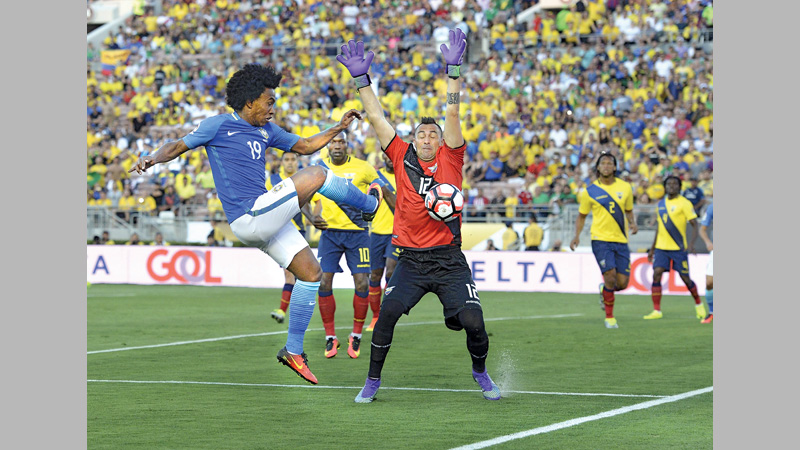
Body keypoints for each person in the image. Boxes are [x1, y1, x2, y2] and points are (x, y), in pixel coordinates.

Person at [129, 63, 383, 385]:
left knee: (311, 273)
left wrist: (337, 128)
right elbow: (176, 146)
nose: (273, 108)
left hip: (264, 218)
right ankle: (369, 206)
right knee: (318, 174)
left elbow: (304, 145)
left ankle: (293, 351)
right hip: (249, 215)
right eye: (269, 102)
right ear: (250, 102)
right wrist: (152, 157)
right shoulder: (218, 126)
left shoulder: (266, 131)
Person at [338, 31, 501, 402]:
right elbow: (376, 115)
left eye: (433, 134)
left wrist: (454, 71)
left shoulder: (452, 156)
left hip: (448, 260)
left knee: (474, 323)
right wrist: (361, 80)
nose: (427, 138)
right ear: (412, 141)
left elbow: (454, 110)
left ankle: (481, 373)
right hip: (409, 260)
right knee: (388, 316)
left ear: (442, 141)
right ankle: (372, 382)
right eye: (421, 134)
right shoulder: (399, 154)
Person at [313, 131, 382, 360]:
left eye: (341, 142)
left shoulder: (363, 167)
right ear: (328, 146)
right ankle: (330, 337)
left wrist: (373, 203)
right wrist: (312, 217)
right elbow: (307, 198)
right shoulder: (320, 168)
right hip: (330, 234)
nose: (337, 145)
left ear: (347, 145)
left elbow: (378, 186)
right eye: (334, 142)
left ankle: (356, 334)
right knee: (323, 280)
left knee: (362, 283)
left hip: (358, 234)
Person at [570, 151, 638, 329]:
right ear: (598, 167)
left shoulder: (625, 188)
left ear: (615, 167)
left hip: (621, 240)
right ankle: (610, 318)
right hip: (600, 239)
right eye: (603, 163)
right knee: (610, 276)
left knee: (621, 284)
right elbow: (582, 216)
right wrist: (576, 236)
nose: (606, 166)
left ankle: (605, 291)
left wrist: (632, 223)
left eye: (610, 163)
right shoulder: (590, 191)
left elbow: (629, 210)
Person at [268, 151, 324, 325]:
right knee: (290, 274)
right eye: (287, 159)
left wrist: (315, 216)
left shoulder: (304, 179)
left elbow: (318, 201)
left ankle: (285, 311)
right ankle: (288, 311)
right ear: (282, 162)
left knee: (295, 274)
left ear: (298, 162)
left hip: (298, 231)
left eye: (293, 159)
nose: (290, 162)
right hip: (279, 231)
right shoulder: (273, 180)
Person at [643, 175, 706, 320]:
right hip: (661, 247)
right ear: (665, 187)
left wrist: (691, 243)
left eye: (675, 184)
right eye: (669, 184)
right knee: (656, 273)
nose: (671, 186)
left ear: (679, 186)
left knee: (685, 279)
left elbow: (694, 224)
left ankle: (698, 304)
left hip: (678, 248)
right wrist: (652, 248)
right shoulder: (660, 204)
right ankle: (656, 310)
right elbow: (659, 227)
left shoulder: (684, 203)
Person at [367, 152, 399, 333]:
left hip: (396, 233)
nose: (389, 158)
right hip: (377, 233)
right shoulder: (375, 176)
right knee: (375, 275)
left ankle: (386, 315)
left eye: (392, 156)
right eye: (386, 156)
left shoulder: (405, 175)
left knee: (391, 270)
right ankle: (375, 317)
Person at [698, 202, 713, 323]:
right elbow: (702, 229)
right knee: (709, 283)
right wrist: (708, 242)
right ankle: (712, 312)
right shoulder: (712, 207)